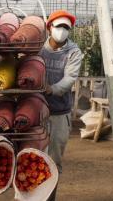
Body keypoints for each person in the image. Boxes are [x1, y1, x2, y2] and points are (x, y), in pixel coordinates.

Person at [39, 10, 84, 200]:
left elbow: (70, 79)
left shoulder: (73, 52)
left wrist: (51, 89)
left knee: (54, 160)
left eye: (66, 27)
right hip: (36, 112)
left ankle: (50, 197)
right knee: (33, 156)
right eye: (59, 26)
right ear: (49, 28)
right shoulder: (38, 48)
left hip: (59, 113)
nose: (62, 31)